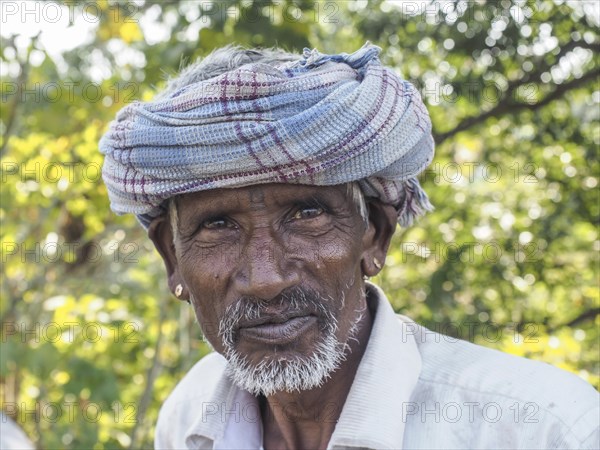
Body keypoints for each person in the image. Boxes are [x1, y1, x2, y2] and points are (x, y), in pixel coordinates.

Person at [99, 43, 599, 449]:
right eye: (218, 226)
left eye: (307, 214)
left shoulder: (541, 428)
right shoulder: (192, 418)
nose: (268, 278)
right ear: (172, 257)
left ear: (375, 235)